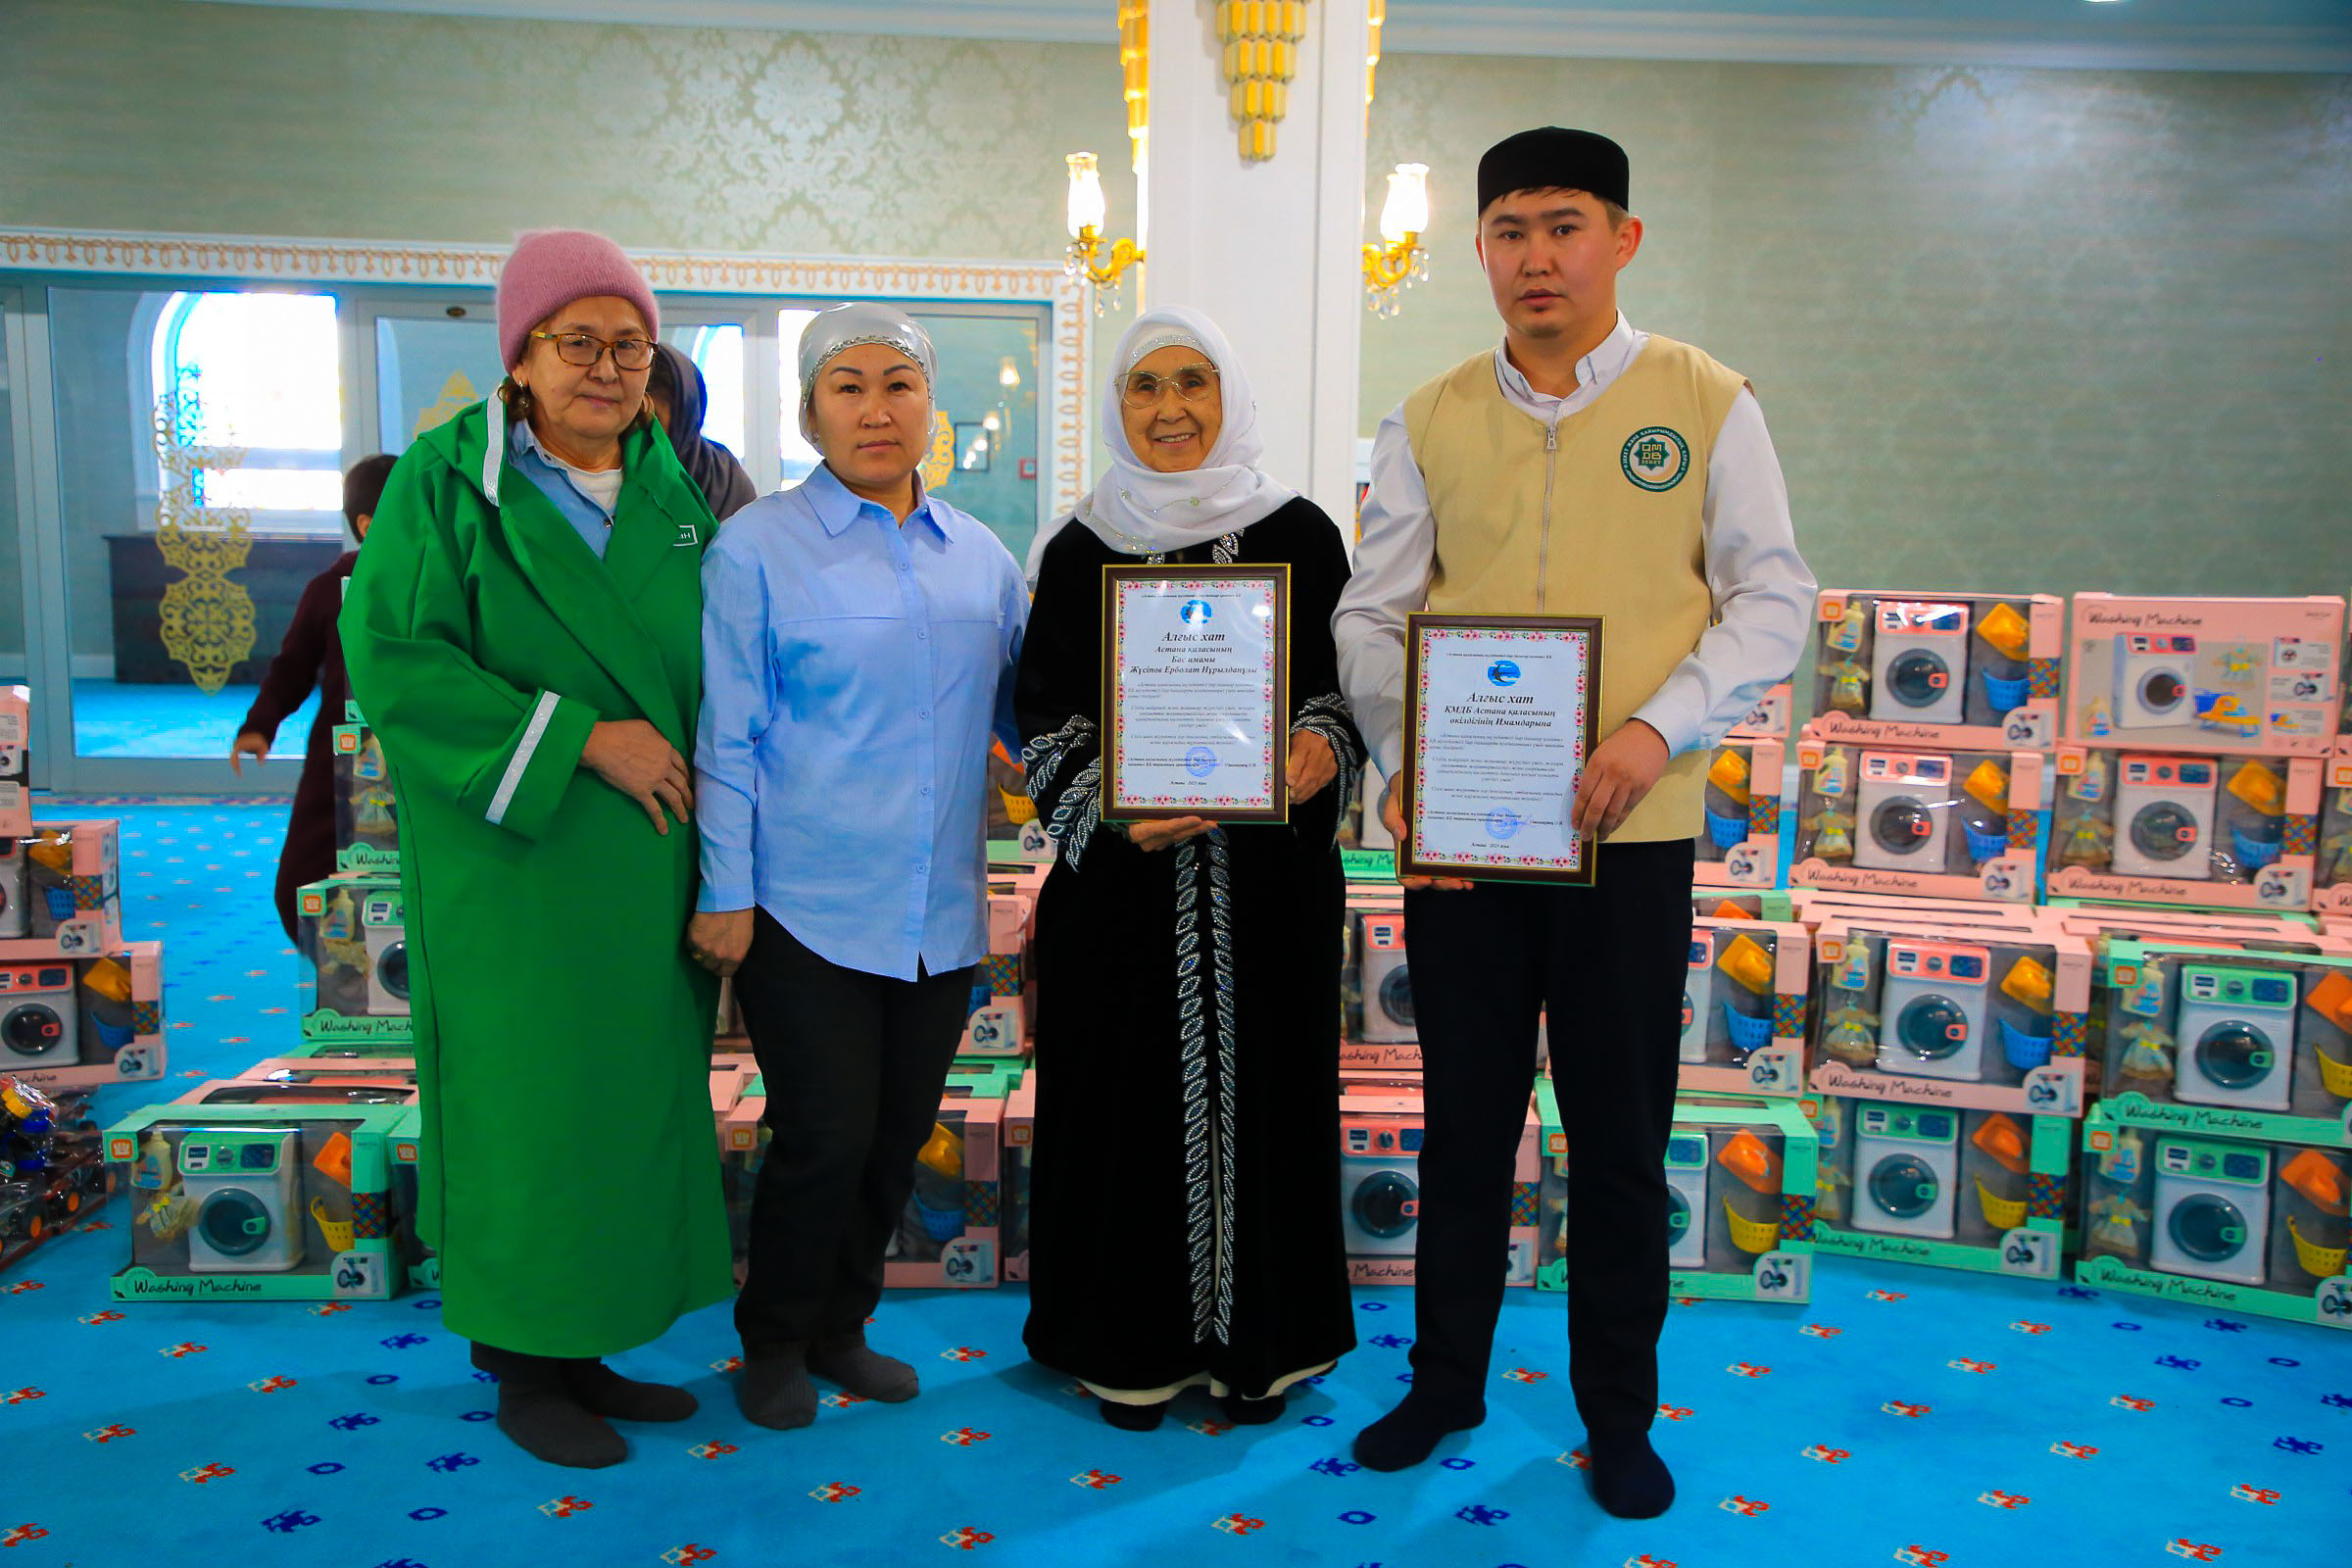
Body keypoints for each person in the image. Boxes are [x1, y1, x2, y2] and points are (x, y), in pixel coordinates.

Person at [1332, 127, 1814, 1517]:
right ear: (1480, 249)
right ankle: (1445, 1383)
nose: (1535, 257)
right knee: (1463, 1126)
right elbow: (1372, 609)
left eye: (1564, 226)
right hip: (1468, 844)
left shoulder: (1705, 400)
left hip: (1632, 837)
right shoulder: (1428, 416)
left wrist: (1658, 728)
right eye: (1509, 231)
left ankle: (1619, 1413)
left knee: (1616, 1139)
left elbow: (1772, 596)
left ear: (1622, 239)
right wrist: (1404, 751)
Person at [340, 228, 731, 1470]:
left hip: (649, 863)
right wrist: (583, 740)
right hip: (515, 862)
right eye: (579, 342)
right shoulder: (448, 482)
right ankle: (523, 1363)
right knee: (527, 1108)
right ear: (521, 354)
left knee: (629, 1103)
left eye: (631, 345)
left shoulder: (671, 492)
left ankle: (591, 1342)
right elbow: (396, 663)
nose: (607, 368)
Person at [1016, 306, 1361, 1430]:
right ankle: (1126, 1350)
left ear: (1231, 396)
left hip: (1271, 892)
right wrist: (1113, 804)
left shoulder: (1302, 533)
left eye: (1193, 381)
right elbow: (1043, 714)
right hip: (1120, 901)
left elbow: (1347, 687)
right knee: (1118, 1110)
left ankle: (1264, 1350)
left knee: (1273, 1101)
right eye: (1145, 385)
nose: (1170, 408)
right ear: (1116, 404)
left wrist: (1322, 744)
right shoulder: (1080, 546)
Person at [686, 304, 1028, 1432]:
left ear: (932, 406)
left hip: (939, 910)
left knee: (894, 1137)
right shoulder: (757, 549)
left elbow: (1030, 717)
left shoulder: (981, 560)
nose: (876, 410)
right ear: (809, 413)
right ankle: (776, 1338)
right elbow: (728, 734)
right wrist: (726, 889)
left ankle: (844, 1326)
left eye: (898, 384)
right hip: (805, 906)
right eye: (848, 387)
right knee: (822, 1136)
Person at [232, 453, 395, 942]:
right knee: (311, 862)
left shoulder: (440, 587)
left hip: (416, 749)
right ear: (367, 525)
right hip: (342, 751)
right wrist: (259, 725)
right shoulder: (329, 590)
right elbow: (293, 666)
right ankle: (335, 952)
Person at [647, 342, 757, 523]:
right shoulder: (618, 472)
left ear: (684, 419)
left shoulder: (726, 483)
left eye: (654, 420)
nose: (642, 431)